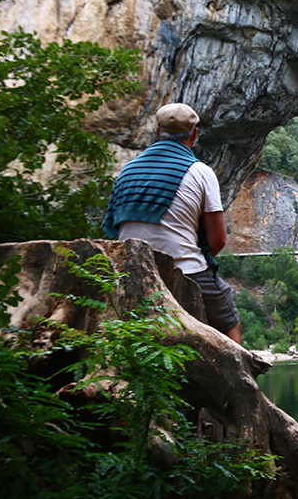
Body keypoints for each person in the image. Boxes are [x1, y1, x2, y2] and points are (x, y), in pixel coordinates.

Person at [102, 103, 242, 344]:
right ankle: (239, 375)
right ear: (194, 135)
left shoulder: (127, 170)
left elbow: (114, 228)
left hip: (131, 271)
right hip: (185, 271)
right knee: (229, 322)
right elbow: (218, 240)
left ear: (158, 132)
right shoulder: (200, 172)